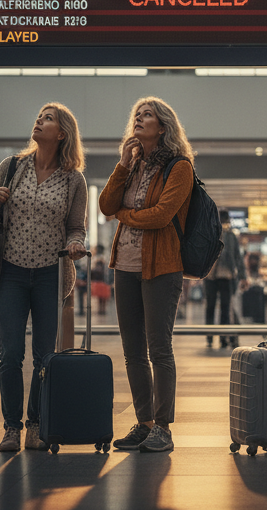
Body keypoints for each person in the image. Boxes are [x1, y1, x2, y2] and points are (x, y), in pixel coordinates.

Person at [0, 103, 88, 452]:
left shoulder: (73, 179)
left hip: (50, 276)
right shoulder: (12, 167)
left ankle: (35, 424)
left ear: (62, 133)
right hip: (8, 272)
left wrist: (75, 244)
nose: (39, 121)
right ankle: (11, 426)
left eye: (48, 119)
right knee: (10, 354)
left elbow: (76, 227)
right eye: (39, 117)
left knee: (44, 356)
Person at [99, 97, 195, 454]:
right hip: (124, 266)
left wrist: (125, 215)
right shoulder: (133, 165)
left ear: (163, 126)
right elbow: (107, 206)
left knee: (159, 348)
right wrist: (122, 166)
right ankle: (144, 422)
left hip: (162, 268)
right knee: (133, 351)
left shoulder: (179, 167)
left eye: (147, 115)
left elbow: (160, 215)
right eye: (136, 115)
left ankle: (164, 427)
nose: (139, 119)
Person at [204, 210, 244, 349]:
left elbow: (237, 257)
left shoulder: (231, 236)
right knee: (211, 306)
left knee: (225, 309)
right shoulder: (210, 233)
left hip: (226, 276)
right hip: (210, 275)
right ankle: (209, 336)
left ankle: (223, 337)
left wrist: (243, 276)